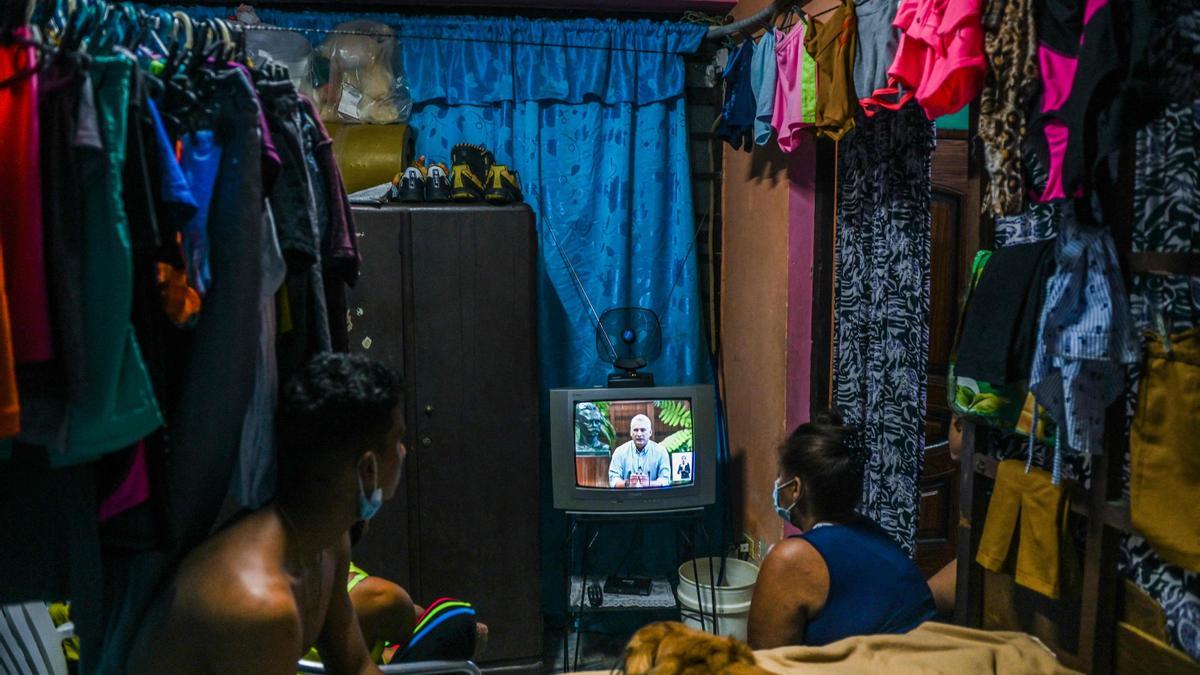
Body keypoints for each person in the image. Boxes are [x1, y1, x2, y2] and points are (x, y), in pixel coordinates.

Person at [129, 353, 408, 674]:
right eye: (398, 439)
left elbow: (356, 666)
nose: (403, 452)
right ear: (368, 469)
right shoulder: (259, 605)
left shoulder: (329, 543)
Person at [747, 411, 938, 650]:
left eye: (780, 477)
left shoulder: (791, 559)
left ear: (795, 489)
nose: (777, 486)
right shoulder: (871, 532)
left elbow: (762, 663)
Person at [608, 414, 671, 488]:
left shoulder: (661, 451)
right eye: (635, 430)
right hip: (626, 497)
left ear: (650, 432)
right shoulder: (619, 452)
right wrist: (629, 483)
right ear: (631, 432)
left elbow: (665, 480)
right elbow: (613, 480)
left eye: (643, 430)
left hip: (653, 497)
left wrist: (648, 484)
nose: (639, 434)